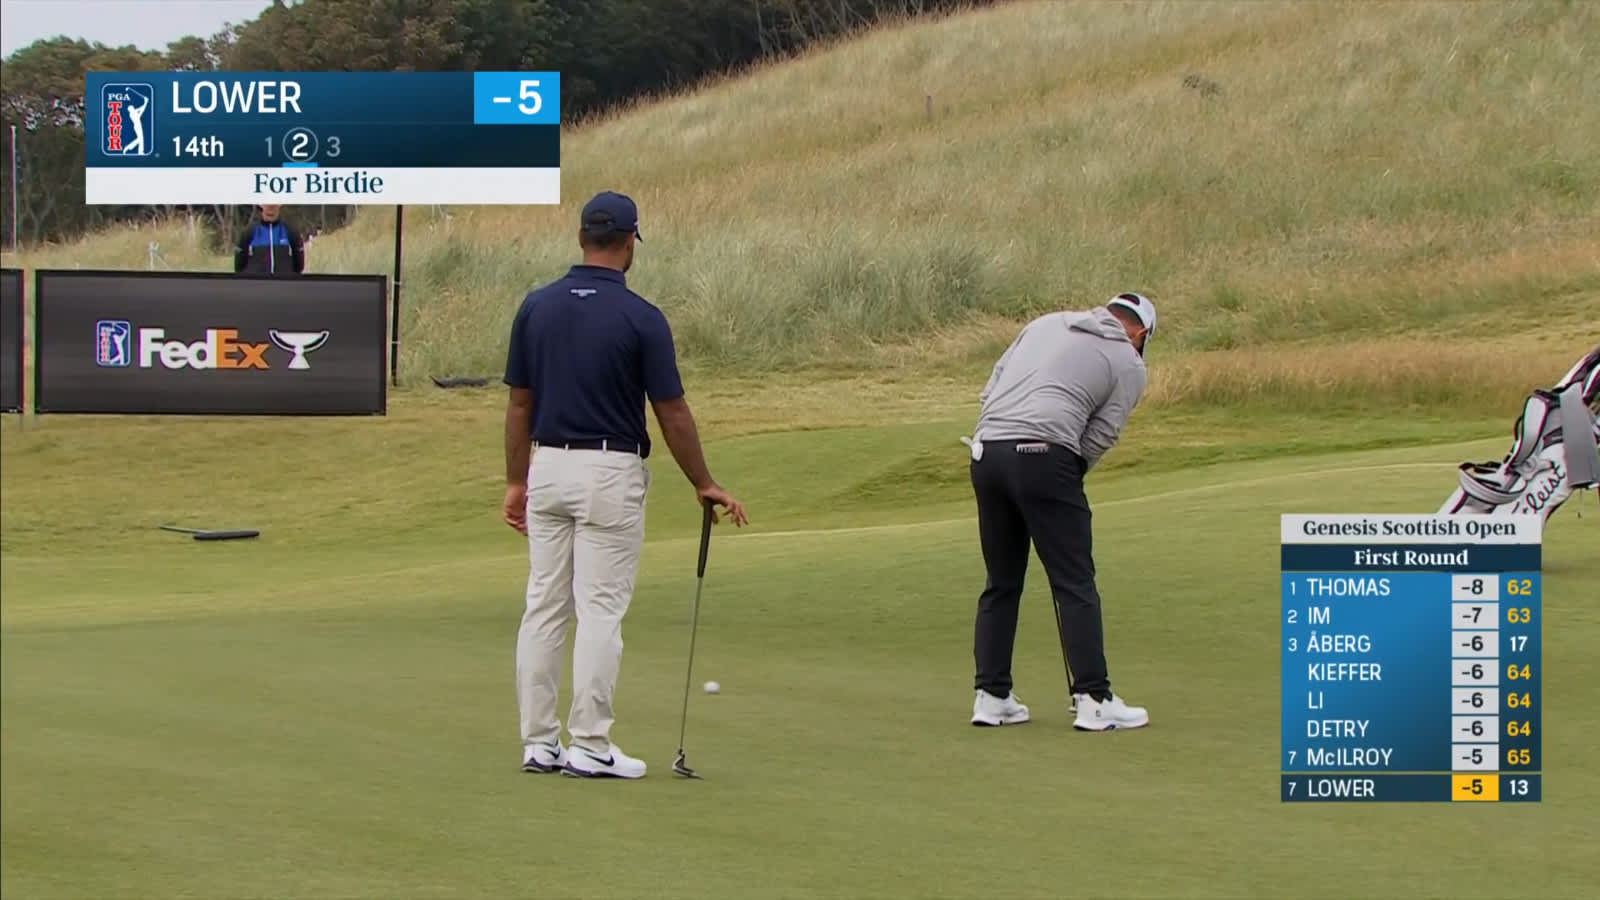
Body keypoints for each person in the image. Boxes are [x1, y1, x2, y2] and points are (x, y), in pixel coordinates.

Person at [502, 190, 749, 779]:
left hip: (547, 467)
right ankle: (590, 744)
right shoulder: (641, 317)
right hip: (609, 472)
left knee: (544, 607)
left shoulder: (536, 307)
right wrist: (704, 481)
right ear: (630, 242)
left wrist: (516, 481)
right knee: (600, 609)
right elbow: (672, 412)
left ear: (581, 237)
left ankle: (540, 743)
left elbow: (519, 405)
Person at [963, 292, 1156, 732]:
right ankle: (1094, 699)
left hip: (986, 453)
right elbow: (1102, 434)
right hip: (1045, 455)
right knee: (1074, 581)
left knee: (1001, 581)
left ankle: (992, 697)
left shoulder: (1044, 323)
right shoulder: (1129, 363)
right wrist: (1064, 470)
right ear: (1141, 333)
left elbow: (991, 387)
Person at [233, 205, 306, 276]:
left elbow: (299, 267)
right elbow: (239, 267)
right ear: (260, 204)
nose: (270, 206)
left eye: (274, 203)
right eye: (267, 203)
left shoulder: (291, 231)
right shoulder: (248, 232)